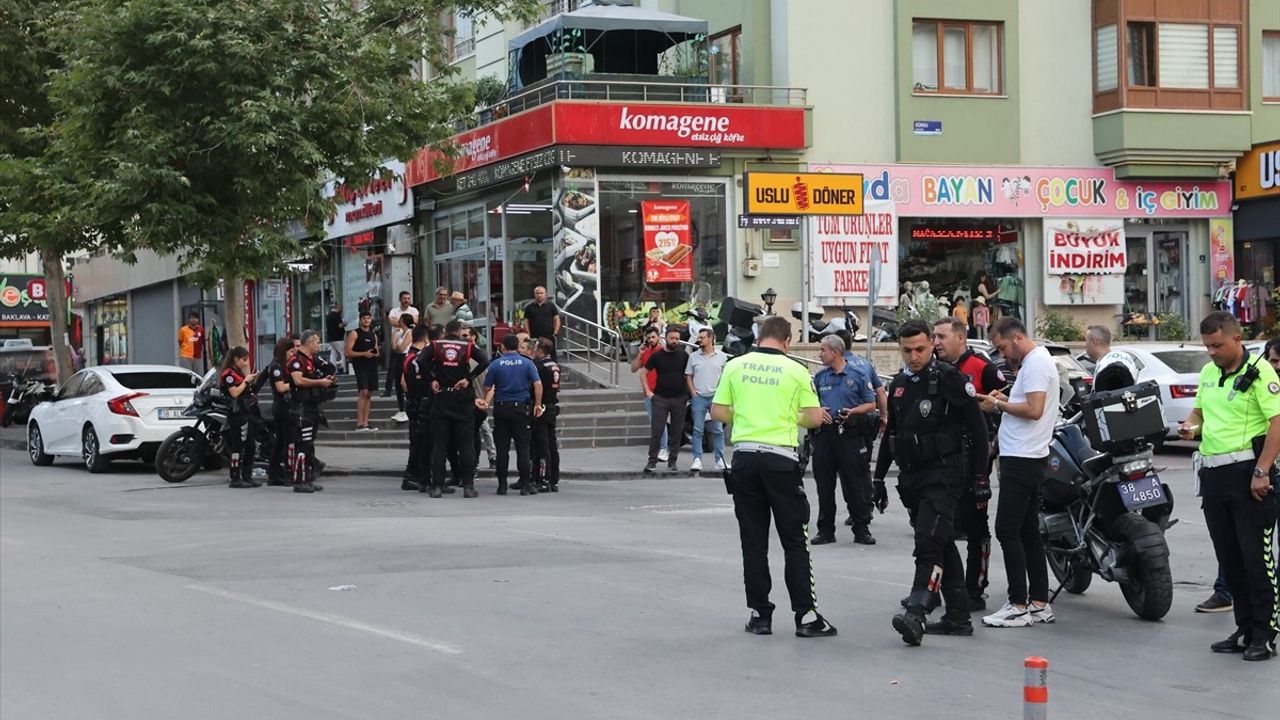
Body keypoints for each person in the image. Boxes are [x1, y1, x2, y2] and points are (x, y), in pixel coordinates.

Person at [711, 315, 836, 638]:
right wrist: (786, 415)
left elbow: (718, 412)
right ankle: (806, 616)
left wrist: (750, 414)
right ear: (787, 340)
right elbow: (812, 419)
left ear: (759, 337)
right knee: (795, 540)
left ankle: (759, 614)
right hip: (780, 460)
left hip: (745, 458)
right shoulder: (796, 370)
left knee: (753, 541)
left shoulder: (735, 365)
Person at [875, 320, 989, 645]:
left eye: (921, 349)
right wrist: (878, 478)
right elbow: (890, 436)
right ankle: (958, 616)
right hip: (912, 479)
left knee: (928, 543)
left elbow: (978, 430)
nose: (914, 356)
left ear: (931, 346)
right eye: (908, 350)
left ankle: (917, 613)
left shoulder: (949, 379)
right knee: (941, 543)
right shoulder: (899, 384)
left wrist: (981, 476)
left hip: (945, 476)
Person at [1178, 312, 1279, 661]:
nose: (1212, 352)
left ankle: (1264, 635)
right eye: (1207, 346)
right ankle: (1245, 628)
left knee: (1256, 560)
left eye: (1218, 345)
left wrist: (1262, 470)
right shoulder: (1209, 373)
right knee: (1230, 558)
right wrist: (1189, 426)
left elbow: (1277, 423)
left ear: (1237, 340)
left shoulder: (1260, 373)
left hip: (1248, 474)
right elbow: (1199, 414)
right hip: (1214, 475)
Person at [975, 316, 1060, 628]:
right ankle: (1039, 602)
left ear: (1017, 338)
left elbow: (1034, 411)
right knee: (1027, 532)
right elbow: (1027, 405)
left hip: (1023, 458)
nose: (1002, 355)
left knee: (1007, 530)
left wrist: (997, 406)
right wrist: (1005, 399)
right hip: (1027, 455)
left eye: (1002, 347)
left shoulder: (1036, 363)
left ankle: (1018, 604)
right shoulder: (1036, 362)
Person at [933, 316, 1006, 610]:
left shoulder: (982, 367)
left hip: (973, 461)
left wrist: (992, 448)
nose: (936, 342)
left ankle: (974, 589)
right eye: (934, 337)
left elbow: (1004, 404)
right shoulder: (932, 370)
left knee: (976, 528)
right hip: (940, 462)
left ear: (960, 338)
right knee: (938, 528)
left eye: (941, 337)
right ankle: (936, 587)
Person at [811, 335, 879, 546]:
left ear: (836, 352)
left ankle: (861, 529)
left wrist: (853, 411)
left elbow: (871, 404)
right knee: (824, 485)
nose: (820, 354)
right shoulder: (820, 377)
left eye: (823, 350)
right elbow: (811, 403)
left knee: (855, 484)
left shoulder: (857, 375)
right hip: (825, 435)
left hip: (850, 434)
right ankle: (825, 530)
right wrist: (818, 411)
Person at [427, 320, 490, 498]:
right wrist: (469, 378)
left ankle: (437, 486)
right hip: (462, 399)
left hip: (442, 398)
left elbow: (420, 361)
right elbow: (485, 360)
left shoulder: (436, 345)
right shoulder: (467, 346)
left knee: (440, 444)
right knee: (466, 444)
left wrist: (432, 378)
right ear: (459, 331)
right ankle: (468, 487)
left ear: (446, 331)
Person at [482, 334, 543, 495]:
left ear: (502, 347)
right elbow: (537, 384)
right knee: (523, 447)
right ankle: (524, 485)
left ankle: (502, 486)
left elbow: (487, 387)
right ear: (517, 346)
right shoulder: (527, 363)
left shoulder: (496, 364)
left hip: (502, 408)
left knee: (502, 449)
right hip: (520, 408)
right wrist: (537, 404)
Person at [287, 330, 336, 493]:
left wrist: (324, 382)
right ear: (308, 342)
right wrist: (320, 381)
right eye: (316, 342)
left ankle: (306, 479)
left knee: (308, 445)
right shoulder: (296, 360)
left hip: (311, 407)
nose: (318, 345)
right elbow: (298, 380)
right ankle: (300, 481)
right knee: (303, 445)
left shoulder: (310, 361)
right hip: (301, 409)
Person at [643, 327, 690, 473]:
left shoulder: (684, 356)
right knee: (657, 431)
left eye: (677, 338)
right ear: (666, 338)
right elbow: (643, 373)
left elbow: (688, 376)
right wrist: (649, 392)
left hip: (679, 399)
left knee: (676, 431)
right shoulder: (658, 356)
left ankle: (672, 462)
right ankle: (652, 462)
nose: (675, 341)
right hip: (660, 399)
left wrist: (688, 395)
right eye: (672, 338)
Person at [218, 347, 263, 489]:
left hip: (246, 411)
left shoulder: (238, 372)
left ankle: (247, 475)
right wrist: (246, 381)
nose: (245, 363)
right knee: (238, 446)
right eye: (244, 360)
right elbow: (235, 393)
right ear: (236, 359)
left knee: (250, 445)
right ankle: (235, 477)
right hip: (236, 413)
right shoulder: (228, 374)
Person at [685, 328, 727, 473]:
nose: (699, 340)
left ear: (710, 339)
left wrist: (722, 392)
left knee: (718, 429)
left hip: (716, 397)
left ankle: (719, 459)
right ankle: (697, 459)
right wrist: (693, 392)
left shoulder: (721, 356)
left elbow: (725, 376)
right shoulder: (694, 357)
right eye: (699, 337)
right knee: (697, 429)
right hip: (699, 397)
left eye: (702, 337)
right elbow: (688, 375)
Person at [401, 323, 434, 492]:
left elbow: (403, 382)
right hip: (419, 403)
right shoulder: (418, 358)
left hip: (412, 401)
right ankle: (414, 476)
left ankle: (416, 475)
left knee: (417, 441)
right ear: (426, 338)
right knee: (420, 442)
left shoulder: (408, 356)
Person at [459, 325, 497, 470]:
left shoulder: (480, 355)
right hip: (467, 399)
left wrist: (487, 400)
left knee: (485, 429)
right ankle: (474, 462)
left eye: (465, 335)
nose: (462, 338)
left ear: (473, 336)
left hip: (480, 398)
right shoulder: (461, 354)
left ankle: (492, 456)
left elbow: (490, 381)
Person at [631, 326, 669, 461]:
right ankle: (661, 447)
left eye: (653, 337)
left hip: (661, 391)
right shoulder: (645, 352)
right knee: (655, 422)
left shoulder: (663, 351)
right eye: (648, 338)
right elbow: (634, 368)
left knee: (660, 421)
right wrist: (640, 354)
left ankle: (664, 448)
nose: (651, 340)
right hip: (648, 392)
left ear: (658, 336)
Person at [263, 337, 296, 487]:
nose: (292, 353)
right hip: (282, 406)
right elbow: (281, 387)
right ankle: (287, 474)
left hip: (285, 405)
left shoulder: (283, 365)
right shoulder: (276, 366)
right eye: (290, 351)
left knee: (281, 442)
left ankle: (275, 473)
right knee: (287, 442)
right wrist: (295, 383)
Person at [531, 337, 561, 493]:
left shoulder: (538, 366)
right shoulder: (554, 365)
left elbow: (535, 386)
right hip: (552, 405)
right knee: (551, 444)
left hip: (541, 406)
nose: (533, 351)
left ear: (540, 350)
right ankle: (554, 479)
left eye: (535, 348)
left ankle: (543, 478)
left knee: (542, 444)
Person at [344, 310, 380, 432]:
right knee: (363, 392)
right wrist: (364, 354)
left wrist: (374, 354)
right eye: (364, 318)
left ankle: (365, 423)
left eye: (368, 318)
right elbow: (347, 352)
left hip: (372, 366)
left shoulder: (373, 334)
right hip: (360, 366)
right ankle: (360, 423)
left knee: (369, 393)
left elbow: (376, 350)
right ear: (360, 320)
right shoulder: (355, 333)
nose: (366, 320)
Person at [386, 313, 414, 423]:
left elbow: (402, 348)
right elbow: (394, 347)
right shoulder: (401, 333)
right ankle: (401, 408)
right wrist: (393, 337)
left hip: (405, 358)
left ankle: (407, 409)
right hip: (398, 358)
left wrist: (397, 347)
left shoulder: (409, 332)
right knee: (397, 383)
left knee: (403, 383)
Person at [522, 286, 561, 361]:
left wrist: (555, 333)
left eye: (541, 293)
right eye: (537, 293)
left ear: (545, 294)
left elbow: (557, 320)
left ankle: (553, 369)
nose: (539, 295)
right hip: (534, 336)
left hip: (549, 336)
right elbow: (526, 321)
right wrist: (528, 334)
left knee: (551, 355)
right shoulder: (529, 307)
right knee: (535, 354)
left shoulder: (551, 306)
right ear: (534, 295)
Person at [325, 305, 346, 372]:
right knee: (343, 353)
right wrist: (345, 323)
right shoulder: (337, 315)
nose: (342, 310)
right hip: (338, 338)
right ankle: (344, 369)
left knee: (333, 354)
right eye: (341, 308)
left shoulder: (328, 316)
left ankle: (333, 370)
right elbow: (340, 325)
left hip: (330, 338)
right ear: (338, 308)